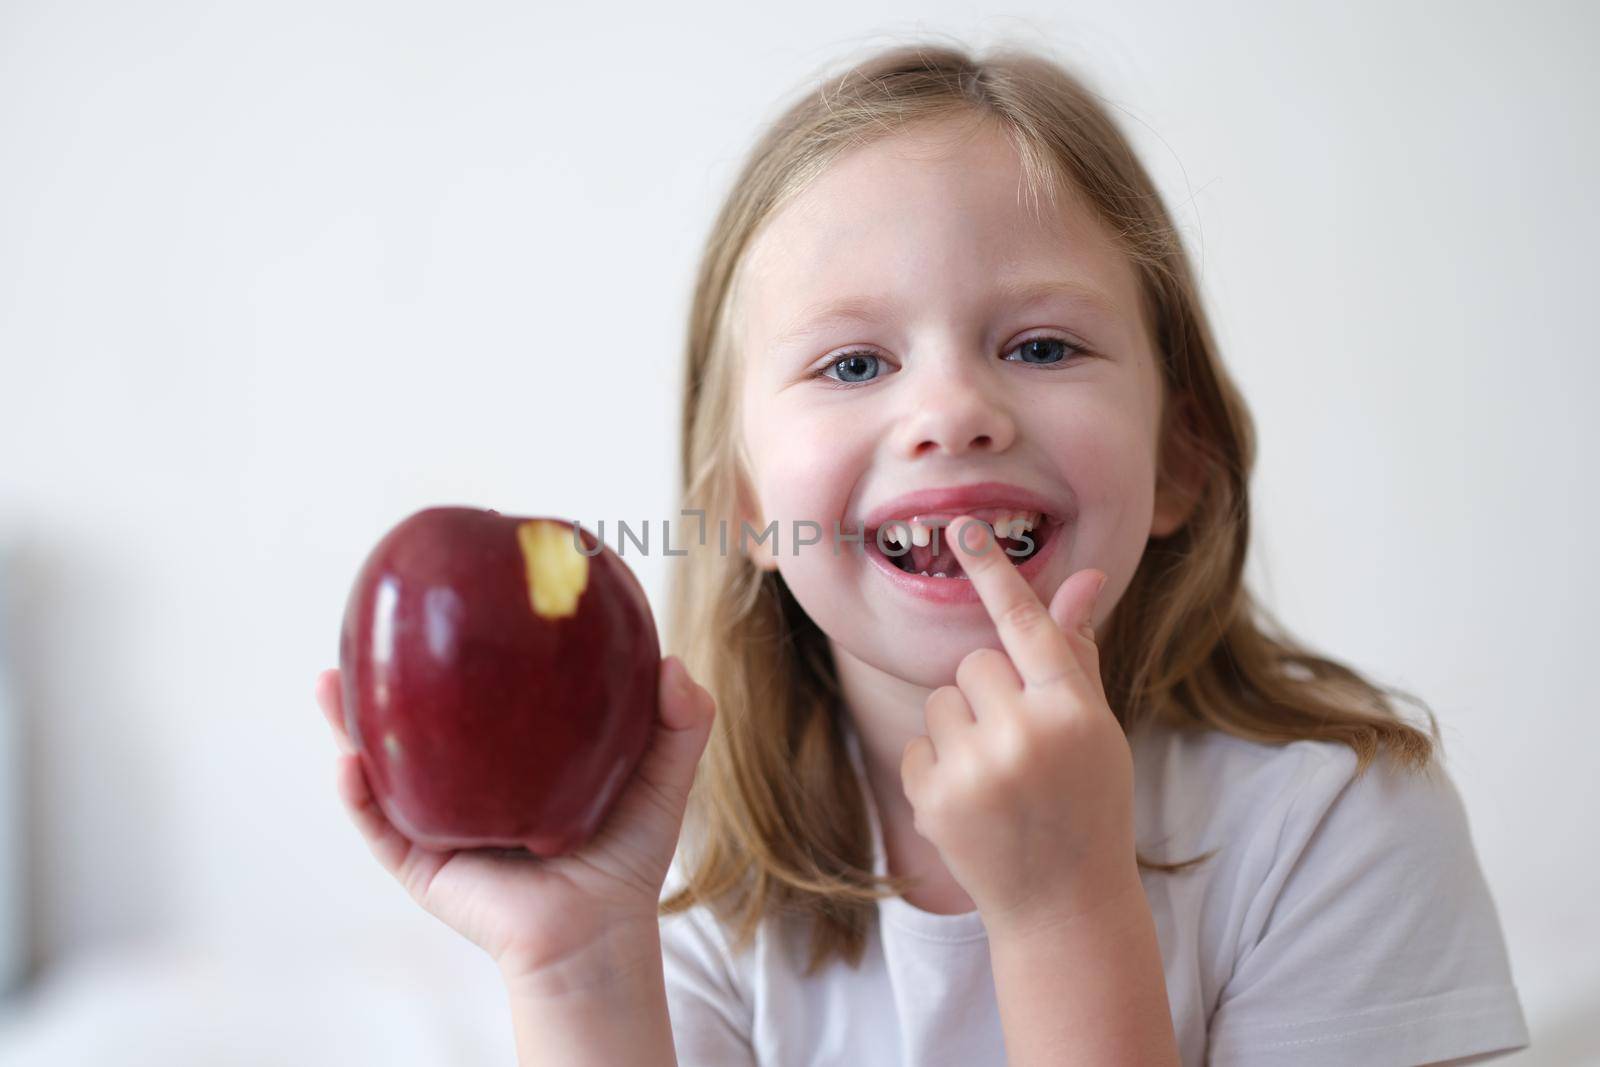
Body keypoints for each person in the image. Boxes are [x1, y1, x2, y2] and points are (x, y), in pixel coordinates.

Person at [315, 38, 1531, 1066]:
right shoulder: (690, 868)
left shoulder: (1336, 826)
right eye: (853, 364)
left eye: (1044, 345)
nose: (953, 408)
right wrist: (579, 965)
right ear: (742, 504)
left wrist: (1064, 909)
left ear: (1181, 456)